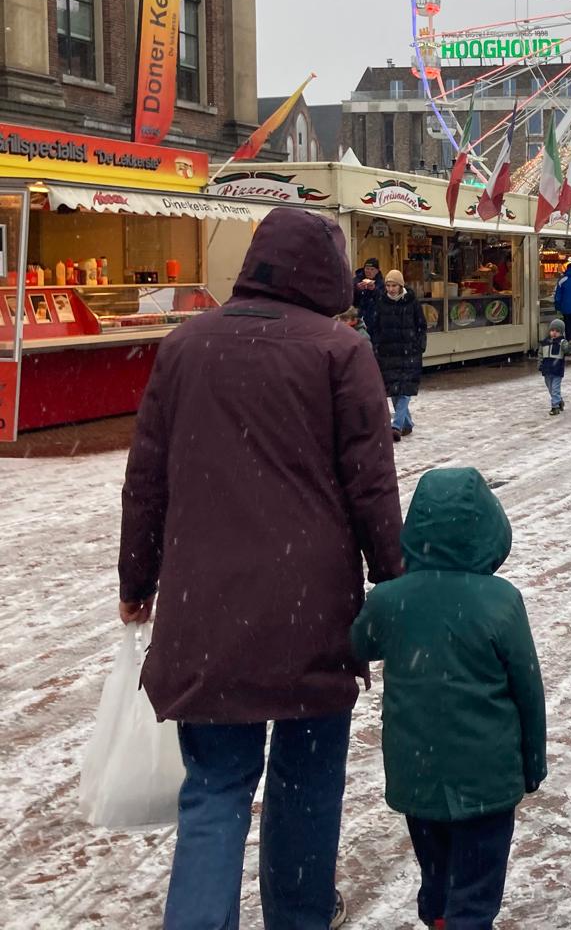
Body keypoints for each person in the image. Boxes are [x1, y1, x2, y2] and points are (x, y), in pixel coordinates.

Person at [119, 206, 404, 930]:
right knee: (306, 785)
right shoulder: (339, 352)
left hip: (205, 605)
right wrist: (392, 579)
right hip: (310, 607)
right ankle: (299, 914)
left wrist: (136, 582)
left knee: (213, 787)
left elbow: (146, 477)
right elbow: (370, 481)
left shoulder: (187, 347)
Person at [350, 468, 546, 930]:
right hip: (488, 779)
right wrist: (532, 763)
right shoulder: (501, 601)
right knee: (477, 889)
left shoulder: (391, 600)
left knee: (436, 875)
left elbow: (359, 645)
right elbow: (528, 689)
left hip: (417, 773)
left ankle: (438, 918)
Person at [372, 270, 428, 441]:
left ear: (401, 285)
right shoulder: (381, 302)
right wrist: (377, 345)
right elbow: (376, 326)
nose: (390, 289)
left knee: (404, 389)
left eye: (394, 285)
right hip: (388, 352)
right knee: (394, 390)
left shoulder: (412, 302)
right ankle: (407, 423)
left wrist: (419, 346)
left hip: (408, 351)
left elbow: (421, 325)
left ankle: (396, 425)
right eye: (388, 285)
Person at [539, 318, 569, 415]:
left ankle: (555, 406)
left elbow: (567, 350)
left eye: (557, 331)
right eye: (552, 330)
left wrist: (566, 345)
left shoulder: (562, 342)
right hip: (547, 369)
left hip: (557, 369)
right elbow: (540, 354)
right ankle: (559, 401)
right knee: (550, 387)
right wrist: (540, 364)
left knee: (555, 388)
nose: (554, 333)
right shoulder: (545, 342)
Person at [353, 257, 383, 333]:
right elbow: (350, 298)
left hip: (375, 320)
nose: (369, 271)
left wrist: (374, 290)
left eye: (372, 269)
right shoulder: (356, 280)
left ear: (377, 270)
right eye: (367, 268)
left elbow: (383, 299)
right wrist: (357, 290)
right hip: (358, 318)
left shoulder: (381, 283)